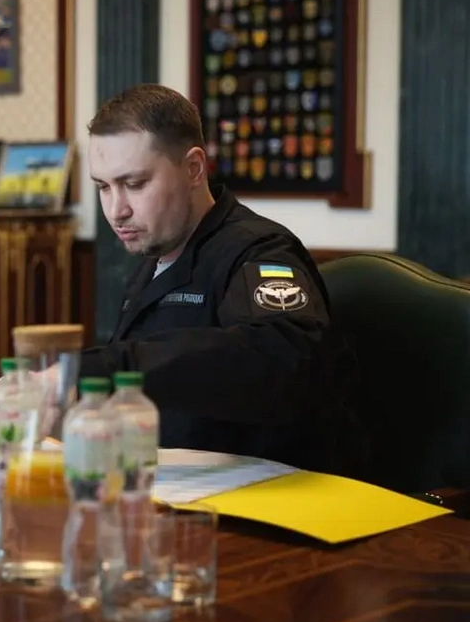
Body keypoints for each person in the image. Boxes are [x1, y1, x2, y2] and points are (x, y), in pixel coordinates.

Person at [80, 84, 356, 474]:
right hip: (162, 480)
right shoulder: (154, 258)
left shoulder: (259, 251)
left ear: (194, 168)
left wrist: (111, 367)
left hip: (258, 493)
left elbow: (282, 360)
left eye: (135, 184)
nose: (116, 210)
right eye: (103, 187)